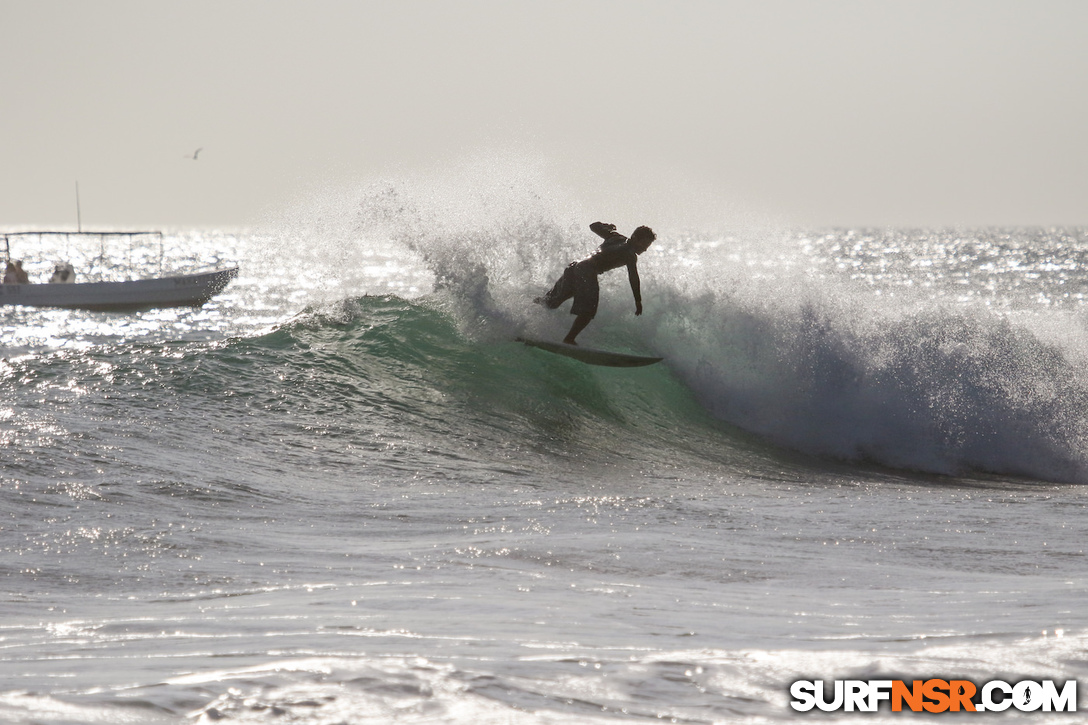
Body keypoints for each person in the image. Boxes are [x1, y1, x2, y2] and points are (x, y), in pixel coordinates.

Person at [536, 221, 656, 344]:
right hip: (586, 271)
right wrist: (638, 300)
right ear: (635, 238)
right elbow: (633, 277)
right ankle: (569, 339)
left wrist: (606, 226)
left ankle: (524, 314)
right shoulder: (630, 254)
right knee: (588, 311)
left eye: (648, 245)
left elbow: (593, 226)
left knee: (551, 302)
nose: (645, 249)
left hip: (574, 266)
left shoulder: (615, 236)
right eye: (644, 244)